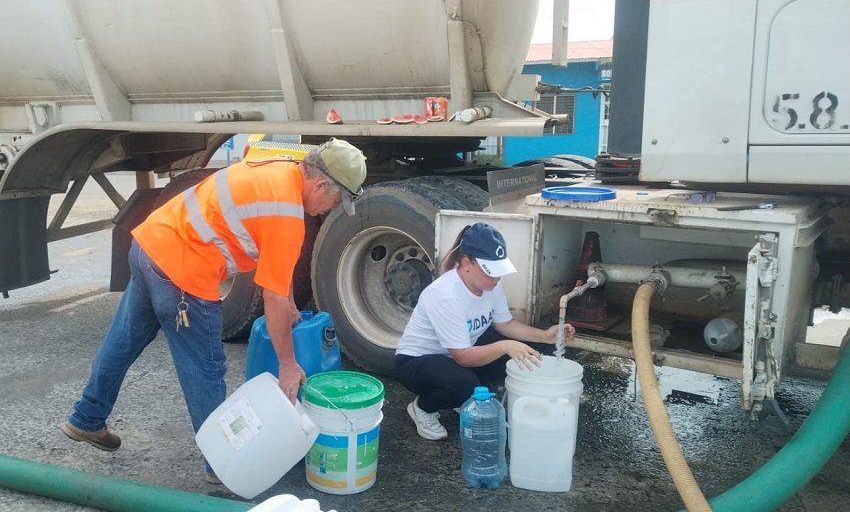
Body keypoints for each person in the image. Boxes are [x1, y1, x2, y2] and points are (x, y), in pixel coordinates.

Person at [62, 138, 367, 483]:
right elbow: (273, 299)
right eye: (335, 200)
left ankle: (86, 418)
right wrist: (287, 365)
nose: (329, 209)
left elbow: (267, 262)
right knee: (205, 371)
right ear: (322, 183)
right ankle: (219, 467)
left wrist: (290, 302)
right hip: (182, 276)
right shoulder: (287, 215)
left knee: (124, 340)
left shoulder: (278, 170)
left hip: (150, 245)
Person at [395, 222, 575, 440]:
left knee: (526, 348)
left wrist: (545, 335)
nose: (497, 278)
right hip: (417, 362)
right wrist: (504, 346)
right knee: (466, 384)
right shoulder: (446, 295)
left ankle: (459, 396)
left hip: (456, 355)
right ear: (467, 263)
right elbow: (461, 356)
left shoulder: (490, 285)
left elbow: (505, 325)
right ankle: (423, 407)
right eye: (491, 271)